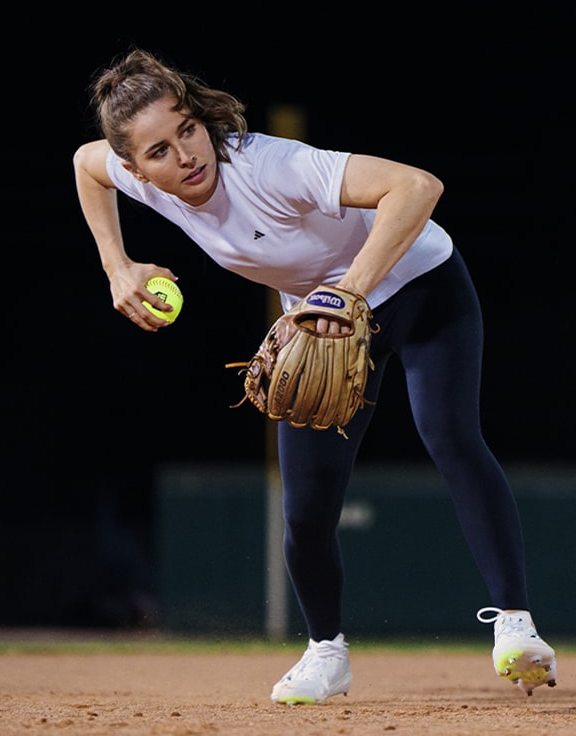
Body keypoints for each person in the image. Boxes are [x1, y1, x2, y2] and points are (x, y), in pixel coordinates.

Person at [73, 47, 557, 703]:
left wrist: (348, 291)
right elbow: (86, 163)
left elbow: (418, 186)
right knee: (305, 504)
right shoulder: (136, 177)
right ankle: (326, 652)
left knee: (449, 434)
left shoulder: (268, 166)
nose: (185, 154)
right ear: (137, 169)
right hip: (323, 324)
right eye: (159, 150)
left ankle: (516, 626)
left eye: (188, 128)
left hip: (422, 286)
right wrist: (117, 267)